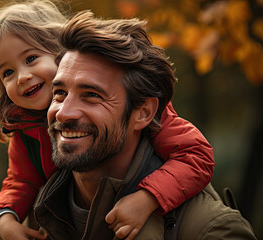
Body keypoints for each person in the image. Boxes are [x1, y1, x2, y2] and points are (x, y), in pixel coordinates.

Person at [0, 1, 214, 239]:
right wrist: (5, 217)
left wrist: (147, 197)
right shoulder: (24, 128)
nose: (21, 77)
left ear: (63, 55)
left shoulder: (137, 104)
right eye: (7, 72)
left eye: (31, 59)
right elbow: (20, 180)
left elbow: (195, 155)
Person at [31, 10, 256, 239]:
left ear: (144, 113)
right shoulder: (38, 213)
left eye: (91, 95)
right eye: (59, 93)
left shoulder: (211, 231)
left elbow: (198, 156)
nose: (63, 113)